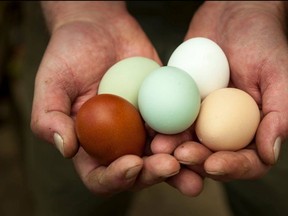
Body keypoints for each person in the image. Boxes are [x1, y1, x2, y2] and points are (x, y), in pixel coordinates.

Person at [19, 1, 288, 215]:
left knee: (273, 197)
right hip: (94, 17)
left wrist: (253, 5)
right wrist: (79, 10)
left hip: (234, 25)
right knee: (74, 196)